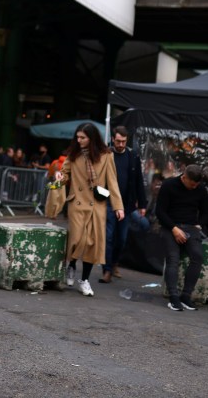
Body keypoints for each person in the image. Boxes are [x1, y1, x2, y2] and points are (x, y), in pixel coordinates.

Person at [61, 123, 123, 298]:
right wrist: (59, 178)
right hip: (77, 202)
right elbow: (65, 173)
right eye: (78, 137)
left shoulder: (106, 155)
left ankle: (84, 280)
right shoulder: (73, 153)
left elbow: (112, 181)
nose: (79, 140)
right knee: (77, 238)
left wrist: (118, 206)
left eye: (83, 137)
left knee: (92, 243)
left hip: (97, 204)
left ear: (92, 138)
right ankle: (71, 265)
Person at [156, 165, 208, 312]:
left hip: (191, 226)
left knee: (197, 256)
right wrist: (174, 228)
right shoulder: (169, 185)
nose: (194, 187)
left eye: (196, 185)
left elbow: (206, 211)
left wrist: (200, 225)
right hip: (170, 225)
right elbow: (160, 211)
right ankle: (173, 297)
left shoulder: (200, 189)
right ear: (184, 177)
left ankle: (186, 295)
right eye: (192, 184)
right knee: (173, 258)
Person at [100, 126, 147, 284]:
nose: (121, 144)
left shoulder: (132, 155)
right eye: (118, 141)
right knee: (109, 237)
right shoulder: (106, 154)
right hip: (107, 201)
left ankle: (114, 263)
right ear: (113, 139)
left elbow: (139, 180)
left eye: (124, 141)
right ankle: (106, 270)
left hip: (126, 203)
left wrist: (142, 204)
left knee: (122, 238)